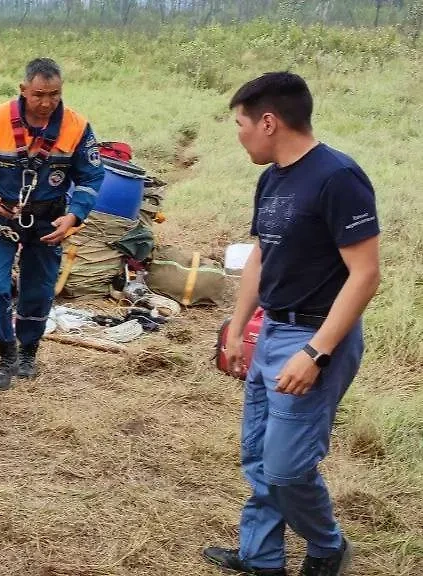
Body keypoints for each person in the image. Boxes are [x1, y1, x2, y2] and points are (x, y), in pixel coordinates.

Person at [203, 72, 380, 576]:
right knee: (259, 454)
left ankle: (327, 546)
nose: (237, 134)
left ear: (268, 121)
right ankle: (261, 557)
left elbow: (365, 275)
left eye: (239, 124)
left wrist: (317, 352)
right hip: (273, 330)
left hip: (314, 336)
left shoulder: (337, 177)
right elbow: (262, 254)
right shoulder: (273, 177)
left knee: (285, 467)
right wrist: (238, 329)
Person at [0, 57, 104, 391]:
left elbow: (91, 176)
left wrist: (75, 214)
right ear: (23, 90)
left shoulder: (76, 126)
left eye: (54, 94)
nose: (47, 102)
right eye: (38, 94)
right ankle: (6, 353)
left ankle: (28, 353)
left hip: (48, 219)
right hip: (0, 215)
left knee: (38, 291)